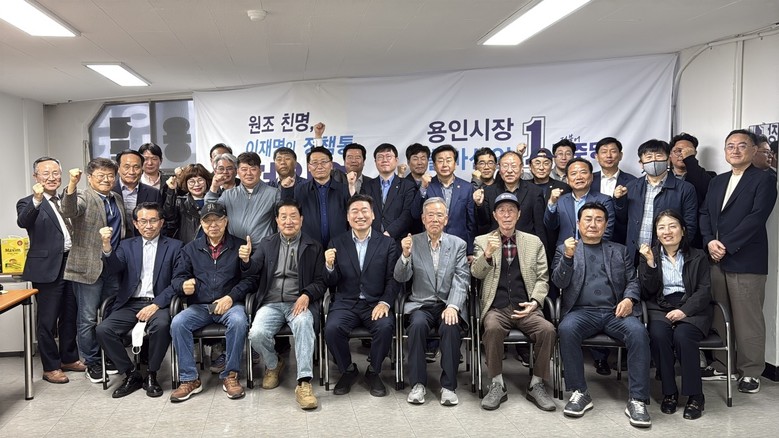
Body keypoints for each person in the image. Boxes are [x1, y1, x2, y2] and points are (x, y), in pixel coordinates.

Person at [552, 202, 651, 428]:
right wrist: (568, 257)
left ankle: (637, 399)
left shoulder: (620, 250)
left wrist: (629, 299)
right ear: (578, 223)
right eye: (588, 219)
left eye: (599, 220)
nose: (593, 224)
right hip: (581, 312)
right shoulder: (564, 249)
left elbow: (633, 280)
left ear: (606, 225)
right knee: (566, 329)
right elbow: (559, 282)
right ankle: (579, 392)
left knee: (638, 333)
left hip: (615, 312)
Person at [700, 129, 778, 394]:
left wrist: (726, 245)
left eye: (741, 145)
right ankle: (723, 365)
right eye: (730, 146)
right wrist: (710, 241)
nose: (735, 150)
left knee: (748, 319)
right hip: (715, 258)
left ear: (754, 150)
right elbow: (704, 213)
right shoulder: (717, 181)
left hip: (746, 259)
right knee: (719, 315)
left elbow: (756, 218)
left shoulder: (764, 179)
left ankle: (751, 372)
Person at [472, 193, 557, 412]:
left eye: (511, 210)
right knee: (492, 328)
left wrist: (535, 302)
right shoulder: (482, 241)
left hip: (526, 306)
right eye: (502, 210)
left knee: (547, 329)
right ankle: (497, 384)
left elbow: (543, 278)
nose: (507, 215)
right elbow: (476, 273)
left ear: (519, 215)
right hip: (496, 307)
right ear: (495, 215)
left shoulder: (533, 242)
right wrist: (487, 254)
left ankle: (536, 384)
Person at [168, 202, 257, 402]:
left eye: (217, 220)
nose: (213, 225)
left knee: (239, 321)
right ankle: (189, 379)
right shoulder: (190, 249)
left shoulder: (240, 246)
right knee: (178, 323)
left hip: (230, 304)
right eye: (207, 221)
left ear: (226, 221)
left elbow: (251, 280)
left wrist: (231, 296)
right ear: (201, 224)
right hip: (200, 306)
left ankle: (230, 375)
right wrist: (183, 285)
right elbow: (177, 278)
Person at [244, 199, 326, 410]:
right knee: (256, 334)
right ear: (277, 220)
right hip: (270, 303)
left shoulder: (313, 246)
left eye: (293, 216)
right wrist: (245, 261)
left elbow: (321, 281)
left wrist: (307, 294)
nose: (289, 221)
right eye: (284, 217)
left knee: (304, 324)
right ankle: (274, 364)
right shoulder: (267, 244)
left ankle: (304, 383)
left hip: (298, 302)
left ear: (301, 220)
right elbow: (253, 270)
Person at [96, 202, 182, 398]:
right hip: (131, 303)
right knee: (103, 329)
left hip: (159, 303)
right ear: (135, 223)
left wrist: (156, 304)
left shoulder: (175, 246)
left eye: (153, 220)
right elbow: (114, 269)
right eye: (143, 221)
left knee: (161, 326)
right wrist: (106, 246)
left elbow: (178, 281)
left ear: (161, 222)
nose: (148, 226)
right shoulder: (126, 245)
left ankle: (152, 373)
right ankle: (131, 374)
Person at [638, 209, 712, 420]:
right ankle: (669, 392)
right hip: (659, 306)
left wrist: (684, 311)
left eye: (672, 226)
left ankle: (695, 395)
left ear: (683, 230)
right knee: (659, 335)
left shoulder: (698, 256)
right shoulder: (650, 254)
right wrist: (650, 264)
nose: (667, 231)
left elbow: (704, 290)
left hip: (692, 307)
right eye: (661, 227)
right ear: (656, 232)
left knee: (683, 336)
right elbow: (647, 291)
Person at [394, 197, 468, 406]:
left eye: (439, 215)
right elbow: (401, 277)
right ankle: (418, 385)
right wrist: (405, 255)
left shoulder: (458, 244)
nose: (435, 219)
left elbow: (462, 278)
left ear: (446, 219)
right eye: (431, 215)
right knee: (417, 325)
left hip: (447, 304)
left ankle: (449, 386)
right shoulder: (413, 242)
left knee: (451, 326)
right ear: (423, 219)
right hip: (421, 304)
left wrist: (453, 305)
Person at [16, 157, 84, 384]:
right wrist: (36, 199)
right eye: (45, 173)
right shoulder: (27, 202)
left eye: (55, 173)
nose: (52, 177)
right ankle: (50, 367)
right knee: (47, 320)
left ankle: (69, 358)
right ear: (35, 176)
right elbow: (23, 222)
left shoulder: (67, 199)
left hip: (71, 263)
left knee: (70, 314)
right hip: (46, 268)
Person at [323, 194, 399, 397]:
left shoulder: (388, 243)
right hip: (346, 302)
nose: (360, 216)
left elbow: (393, 279)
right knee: (331, 329)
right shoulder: (337, 242)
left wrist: (385, 302)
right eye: (354, 211)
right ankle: (348, 369)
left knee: (385, 326)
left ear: (373, 215)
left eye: (365, 211)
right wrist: (329, 266)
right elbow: (331, 282)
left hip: (375, 302)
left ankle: (374, 371)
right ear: (348, 217)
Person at [60, 158, 126, 383]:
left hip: (112, 266)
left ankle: (108, 356)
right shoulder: (83, 195)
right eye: (101, 176)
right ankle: (92, 361)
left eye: (110, 175)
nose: (106, 179)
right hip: (87, 267)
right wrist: (71, 183)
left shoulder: (116, 198)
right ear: (90, 178)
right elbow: (68, 210)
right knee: (87, 318)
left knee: (110, 316)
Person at [613, 139, 698, 264]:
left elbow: (690, 225)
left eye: (659, 156)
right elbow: (622, 220)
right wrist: (619, 200)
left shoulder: (685, 189)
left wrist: (677, 252)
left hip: (668, 255)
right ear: (641, 163)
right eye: (648, 157)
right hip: (635, 253)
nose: (654, 160)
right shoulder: (631, 186)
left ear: (668, 159)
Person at [475, 151, 547, 251]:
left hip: (526, 248)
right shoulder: (488, 192)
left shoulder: (534, 192)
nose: (509, 170)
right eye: (505, 166)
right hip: (496, 248)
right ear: (499, 169)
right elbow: (484, 225)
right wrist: (479, 205)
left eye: (514, 166)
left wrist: (542, 251)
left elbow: (540, 228)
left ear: (522, 168)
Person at [205, 151, 280, 246]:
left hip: (263, 249)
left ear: (260, 171)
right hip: (234, 248)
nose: (248, 173)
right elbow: (210, 212)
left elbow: (281, 221)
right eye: (244, 169)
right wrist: (214, 187)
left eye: (253, 169)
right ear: (237, 172)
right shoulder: (228, 195)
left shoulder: (274, 194)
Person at [288, 146, 352, 248]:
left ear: (331, 165)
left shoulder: (344, 190)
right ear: (309, 167)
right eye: (314, 163)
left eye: (324, 162)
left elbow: (351, 218)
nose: (320, 166)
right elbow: (291, 214)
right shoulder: (300, 190)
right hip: (309, 246)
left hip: (340, 246)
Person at [544, 158, 615, 248]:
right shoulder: (560, 200)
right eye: (573, 174)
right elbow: (551, 226)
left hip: (595, 251)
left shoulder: (604, 200)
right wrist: (552, 203)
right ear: (567, 179)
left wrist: (586, 250)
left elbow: (607, 231)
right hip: (565, 250)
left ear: (591, 177)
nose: (579, 177)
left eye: (583, 172)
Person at [422, 145, 475, 257]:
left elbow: (471, 222)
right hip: (431, 245)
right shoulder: (427, 186)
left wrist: (470, 251)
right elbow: (415, 213)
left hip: (459, 246)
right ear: (434, 165)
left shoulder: (467, 187)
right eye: (440, 161)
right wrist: (423, 188)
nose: (445, 164)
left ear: (455, 164)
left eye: (448, 160)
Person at [362, 143, 418, 240]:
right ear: (375, 162)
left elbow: (407, 214)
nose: (384, 160)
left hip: (398, 240)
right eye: (380, 157)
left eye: (388, 156)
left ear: (396, 160)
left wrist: (389, 233)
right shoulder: (367, 186)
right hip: (371, 240)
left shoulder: (407, 186)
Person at [669, 133, 716, 248]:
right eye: (678, 151)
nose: (682, 154)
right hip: (667, 235)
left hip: (697, 239)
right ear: (670, 154)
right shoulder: (663, 177)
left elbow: (708, 190)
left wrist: (690, 160)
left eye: (687, 151)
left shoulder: (708, 176)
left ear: (694, 154)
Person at [113, 149, 162, 237]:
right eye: (127, 167)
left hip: (143, 241)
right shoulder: (110, 191)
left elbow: (159, 222)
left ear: (142, 169)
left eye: (136, 167)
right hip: (114, 241)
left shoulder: (153, 193)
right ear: (118, 168)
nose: (131, 172)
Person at [162, 163, 212, 242]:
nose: (197, 184)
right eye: (191, 181)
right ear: (186, 183)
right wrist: (171, 191)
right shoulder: (180, 202)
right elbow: (168, 216)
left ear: (206, 181)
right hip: (187, 246)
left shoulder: (214, 201)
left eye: (200, 180)